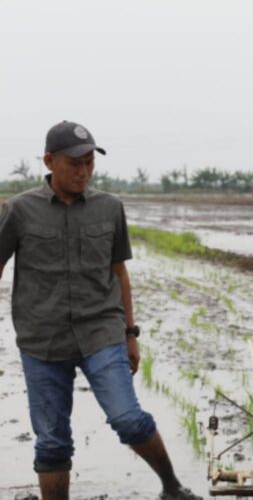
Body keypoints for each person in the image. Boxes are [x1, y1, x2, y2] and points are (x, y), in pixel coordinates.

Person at [0, 121, 199, 500]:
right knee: (52, 442)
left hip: (101, 332)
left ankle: (172, 487)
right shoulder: (19, 211)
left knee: (129, 419)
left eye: (89, 162)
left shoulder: (110, 208)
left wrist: (130, 334)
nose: (83, 171)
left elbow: (119, 272)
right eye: (75, 163)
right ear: (49, 161)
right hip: (41, 340)